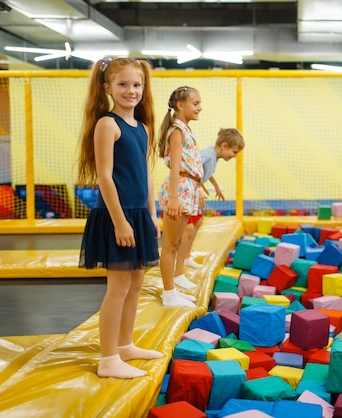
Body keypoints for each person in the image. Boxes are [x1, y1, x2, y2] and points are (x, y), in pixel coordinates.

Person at [77, 57, 163, 379]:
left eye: (137, 84)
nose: (131, 90)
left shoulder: (143, 127)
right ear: (107, 88)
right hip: (117, 214)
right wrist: (120, 221)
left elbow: (147, 175)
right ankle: (108, 357)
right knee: (118, 286)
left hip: (138, 214)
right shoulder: (107, 124)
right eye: (123, 84)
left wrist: (152, 214)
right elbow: (105, 176)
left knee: (136, 282)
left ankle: (125, 344)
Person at [173, 128, 245, 284]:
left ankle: (186, 257)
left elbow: (207, 172)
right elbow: (190, 169)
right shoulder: (207, 154)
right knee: (188, 229)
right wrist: (197, 189)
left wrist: (216, 186)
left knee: (198, 222)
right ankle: (177, 269)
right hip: (185, 192)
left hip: (193, 191)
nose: (234, 156)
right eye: (234, 152)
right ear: (224, 145)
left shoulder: (214, 156)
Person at [157, 86, 205, 308]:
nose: (199, 108)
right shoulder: (177, 131)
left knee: (176, 243)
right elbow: (175, 166)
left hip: (189, 188)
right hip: (180, 189)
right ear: (180, 105)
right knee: (170, 244)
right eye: (195, 104)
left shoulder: (185, 129)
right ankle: (168, 293)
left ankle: (174, 284)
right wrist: (174, 198)